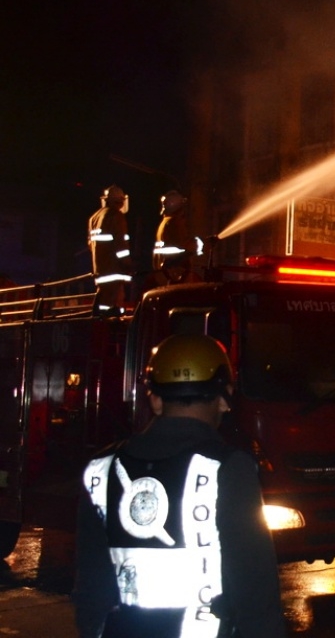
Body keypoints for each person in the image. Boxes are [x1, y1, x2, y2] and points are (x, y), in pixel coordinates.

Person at [73, 334, 286, 638]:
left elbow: (90, 586)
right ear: (224, 398)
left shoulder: (100, 468)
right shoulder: (227, 468)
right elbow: (253, 586)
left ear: (156, 399)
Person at [87, 185, 134, 313]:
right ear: (120, 201)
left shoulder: (94, 218)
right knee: (114, 306)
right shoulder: (116, 216)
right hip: (114, 270)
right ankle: (110, 329)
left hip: (100, 270)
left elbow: (91, 245)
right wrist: (128, 264)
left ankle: (100, 327)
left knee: (103, 304)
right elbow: (121, 245)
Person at [152, 190, 202, 286]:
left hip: (165, 274)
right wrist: (201, 244)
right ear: (179, 208)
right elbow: (184, 244)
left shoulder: (164, 223)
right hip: (176, 274)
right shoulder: (174, 223)